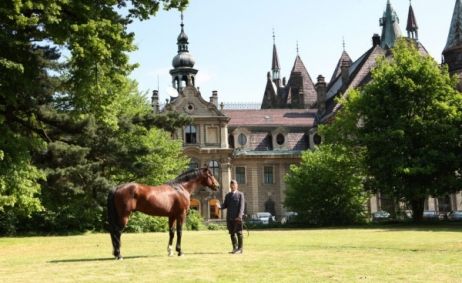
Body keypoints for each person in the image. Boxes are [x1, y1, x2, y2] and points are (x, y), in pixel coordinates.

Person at [220, 179, 245, 254]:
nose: (232, 186)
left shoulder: (240, 194)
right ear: (230, 186)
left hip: (237, 218)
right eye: (231, 185)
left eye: (234, 185)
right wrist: (219, 206)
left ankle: (240, 248)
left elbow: (242, 206)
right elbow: (225, 205)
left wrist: (240, 216)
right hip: (229, 218)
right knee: (232, 233)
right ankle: (235, 248)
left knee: (239, 233)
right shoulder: (228, 195)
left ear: (237, 186)